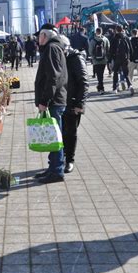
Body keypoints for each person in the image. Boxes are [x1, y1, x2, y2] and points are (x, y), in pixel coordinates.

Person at [33, 23, 68, 183]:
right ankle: (52, 168)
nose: (37, 38)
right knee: (52, 135)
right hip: (54, 99)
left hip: (54, 100)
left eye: (39, 35)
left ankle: (57, 171)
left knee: (54, 137)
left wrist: (45, 101)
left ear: (45, 36)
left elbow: (53, 77)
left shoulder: (52, 48)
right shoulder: (52, 47)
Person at [59, 35, 89, 174]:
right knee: (61, 132)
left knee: (70, 133)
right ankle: (62, 158)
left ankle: (70, 160)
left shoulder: (76, 58)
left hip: (72, 102)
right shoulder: (61, 58)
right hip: (61, 101)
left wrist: (80, 104)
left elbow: (84, 82)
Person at [109, 25, 134, 95]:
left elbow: (111, 50)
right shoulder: (126, 37)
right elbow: (130, 48)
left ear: (116, 30)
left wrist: (110, 60)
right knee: (126, 73)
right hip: (125, 58)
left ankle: (115, 88)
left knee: (116, 72)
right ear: (122, 29)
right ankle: (130, 85)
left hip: (116, 58)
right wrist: (130, 58)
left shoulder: (114, 38)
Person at [89, 27, 110, 94]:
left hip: (96, 60)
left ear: (96, 32)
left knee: (99, 75)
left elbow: (90, 51)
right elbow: (108, 49)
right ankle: (100, 87)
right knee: (102, 74)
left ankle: (101, 88)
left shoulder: (93, 40)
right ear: (102, 32)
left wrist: (93, 57)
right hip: (103, 60)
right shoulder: (105, 39)